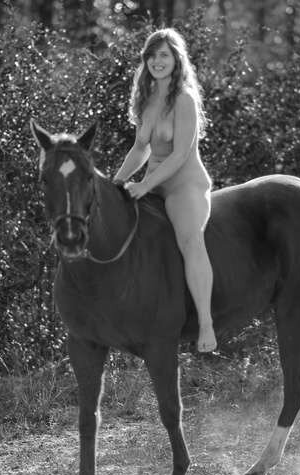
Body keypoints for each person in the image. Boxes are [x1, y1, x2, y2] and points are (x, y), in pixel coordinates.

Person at [113, 28, 217, 353]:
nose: (157, 61)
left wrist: (144, 185)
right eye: (152, 56)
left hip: (184, 184)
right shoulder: (146, 98)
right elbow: (140, 149)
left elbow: (180, 153)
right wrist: (116, 182)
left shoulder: (184, 99)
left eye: (164, 55)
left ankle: (205, 323)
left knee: (189, 240)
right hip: (153, 183)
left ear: (176, 60)